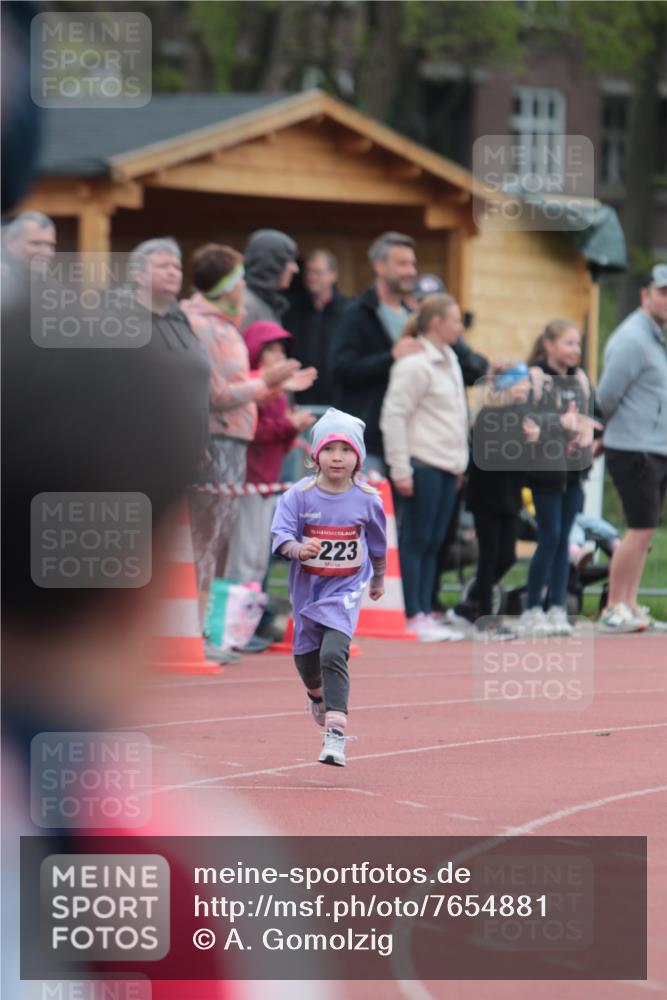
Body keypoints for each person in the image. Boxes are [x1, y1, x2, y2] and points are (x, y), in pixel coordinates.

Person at [179, 244, 305, 656]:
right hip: (218, 440)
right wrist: (265, 382)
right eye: (239, 278)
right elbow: (216, 393)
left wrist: (268, 384)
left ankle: (208, 630)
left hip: (233, 439)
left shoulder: (223, 324)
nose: (245, 286)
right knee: (208, 542)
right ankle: (194, 634)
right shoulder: (204, 326)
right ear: (227, 285)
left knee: (219, 543)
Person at [271, 408, 387, 767]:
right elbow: (280, 535)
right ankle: (315, 693)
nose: (338, 458)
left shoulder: (368, 498)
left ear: (358, 458)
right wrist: (297, 549)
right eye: (330, 449)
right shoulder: (299, 496)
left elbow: (378, 543)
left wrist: (379, 578)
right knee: (306, 659)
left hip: (346, 589)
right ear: (315, 454)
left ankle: (335, 736)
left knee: (333, 652)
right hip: (308, 590)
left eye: (347, 450)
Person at [380, 294, 469, 642]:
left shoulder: (451, 360)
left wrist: (460, 463)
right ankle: (411, 612)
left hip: (448, 465)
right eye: (455, 320)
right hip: (423, 462)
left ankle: (425, 607)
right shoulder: (414, 364)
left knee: (435, 541)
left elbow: (455, 415)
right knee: (416, 539)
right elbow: (395, 415)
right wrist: (400, 468)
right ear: (436, 322)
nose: (460, 327)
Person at [596, 264, 667, 632]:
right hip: (632, 446)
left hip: (655, 446)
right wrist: (597, 431)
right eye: (663, 292)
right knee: (639, 528)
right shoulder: (632, 339)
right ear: (646, 295)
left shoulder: (655, 338)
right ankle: (613, 606)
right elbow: (606, 395)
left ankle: (631, 603)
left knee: (646, 530)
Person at [518, 320, 598, 637]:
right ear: (549, 345)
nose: (575, 350)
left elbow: (596, 414)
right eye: (568, 343)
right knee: (549, 537)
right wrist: (560, 423)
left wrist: (589, 428)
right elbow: (527, 421)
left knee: (565, 540)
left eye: (577, 344)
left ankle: (557, 607)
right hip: (545, 473)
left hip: (574, 473)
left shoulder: (580, 378)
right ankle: (531, 608)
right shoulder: (536, 377)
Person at [226, 319, 316, 585]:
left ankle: (248, 620)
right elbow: (252, 431)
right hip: (248, 480)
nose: (279, 356)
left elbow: (278, 440)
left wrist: (292, 432)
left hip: (267, 481)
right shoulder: (249, 386)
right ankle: (233, 623)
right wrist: (289, 424)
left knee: (257, 559)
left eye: (282, 350)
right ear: (256, 350)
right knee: (243, 558)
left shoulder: (277, 392)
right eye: (271, 349)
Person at [329, 231, 422, 472]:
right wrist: (390, 358)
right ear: (379, 266)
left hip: (413, 443)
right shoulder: (356, 313)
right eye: (402, 263)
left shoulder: (417, 317)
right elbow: (341, 369)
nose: (410, 271)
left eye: (412, 263)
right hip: (368, 443)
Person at [283, 248, 347, 407]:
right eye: (309, 272)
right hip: (299, 398)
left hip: (337, 401)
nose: (311, 278)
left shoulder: (348, 311)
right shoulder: (292, 310)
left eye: (317, 272)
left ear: (333, 275)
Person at [241, 228, 300, 329]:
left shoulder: (268, 304)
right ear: (271, 263)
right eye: (290, 260)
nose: (295, 269)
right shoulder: (246, 307)